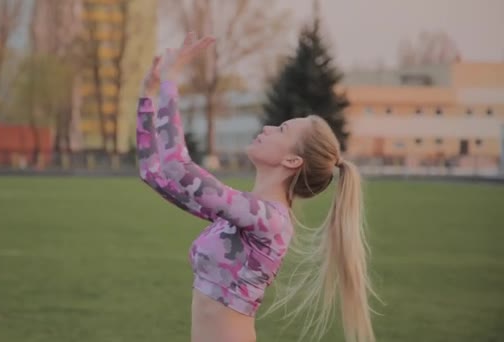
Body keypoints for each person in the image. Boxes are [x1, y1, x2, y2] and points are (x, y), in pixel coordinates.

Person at [136, 32, 375, 342]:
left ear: (292, 160)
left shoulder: (271, 220)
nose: (267, 128)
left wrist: (171, 80)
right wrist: (147, 95)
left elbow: (178, 168)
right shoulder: (237, 212)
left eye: (282, 129)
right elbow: (154, 173)